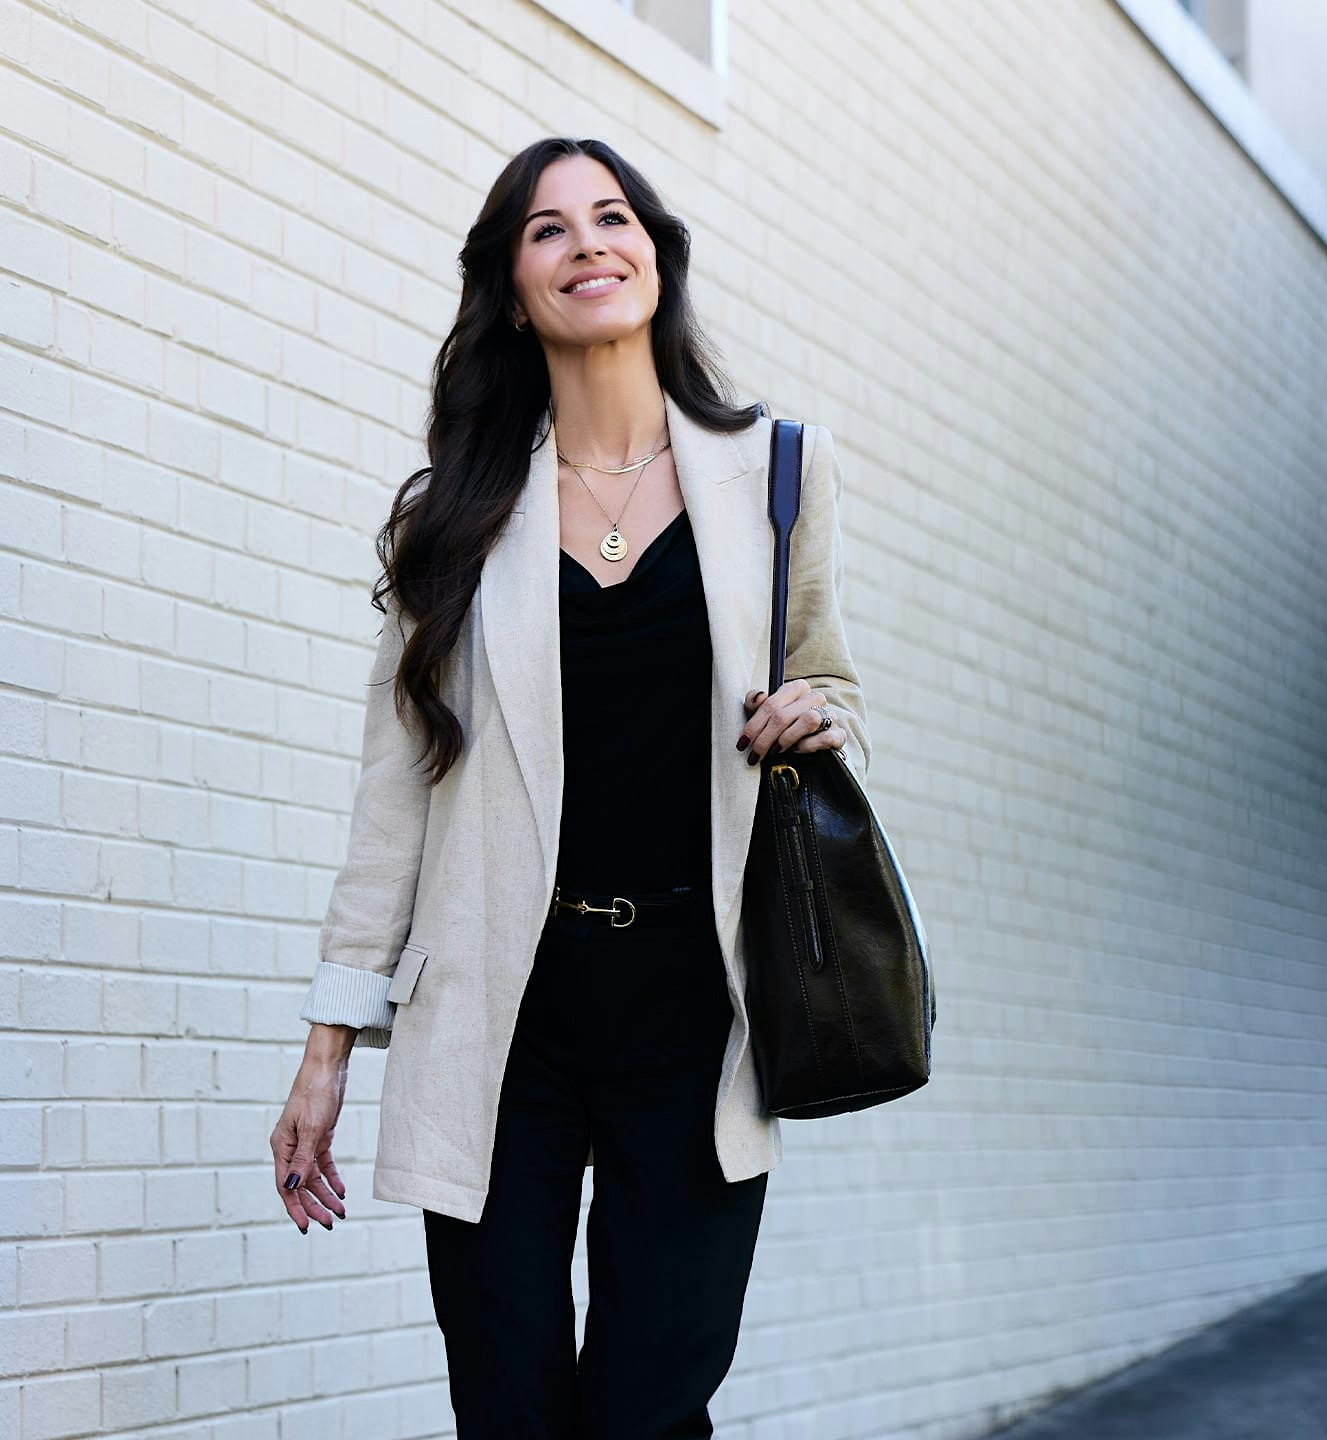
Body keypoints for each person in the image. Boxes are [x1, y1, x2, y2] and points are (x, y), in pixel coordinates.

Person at [267, 136, 872, 1437]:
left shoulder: (776, 475)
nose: (587, 240)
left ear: (655, 254)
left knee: (649, 1409)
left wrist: (819, 718)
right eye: (548, 228)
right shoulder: (460, 512)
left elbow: (831, 686)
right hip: (501, 1006)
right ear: (511, 281)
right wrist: (325, 1053)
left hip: (697, 1009)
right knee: (508, 1402)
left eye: (611, 216)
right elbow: (395, 798)